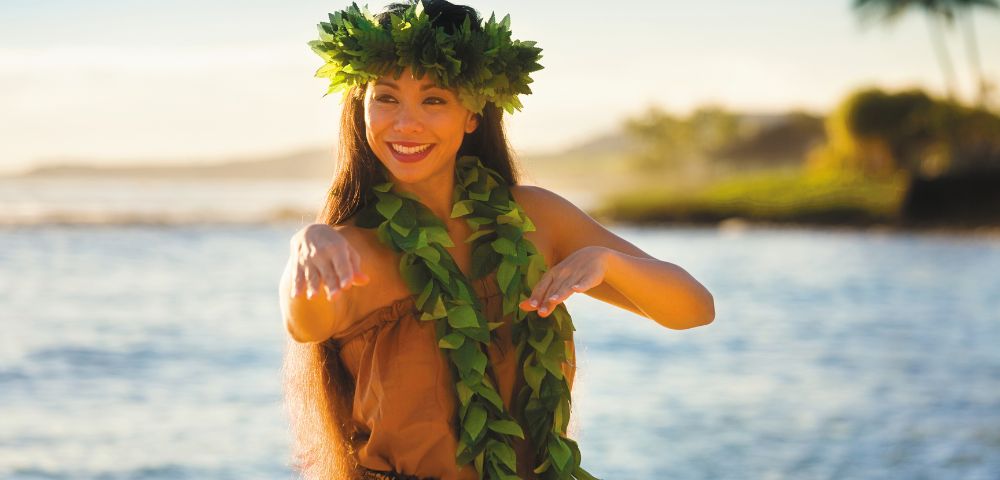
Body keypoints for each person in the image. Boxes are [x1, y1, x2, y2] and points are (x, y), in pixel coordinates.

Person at [279, 1, 715, 479]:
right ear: (361, 106)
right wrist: (307, 244)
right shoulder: (351, 252)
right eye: (386, 98)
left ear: (472, 115)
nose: (406, 123)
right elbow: (306, 324)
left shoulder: (535, 217)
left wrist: (607, 261)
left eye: (434, 99)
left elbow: (695, 310)